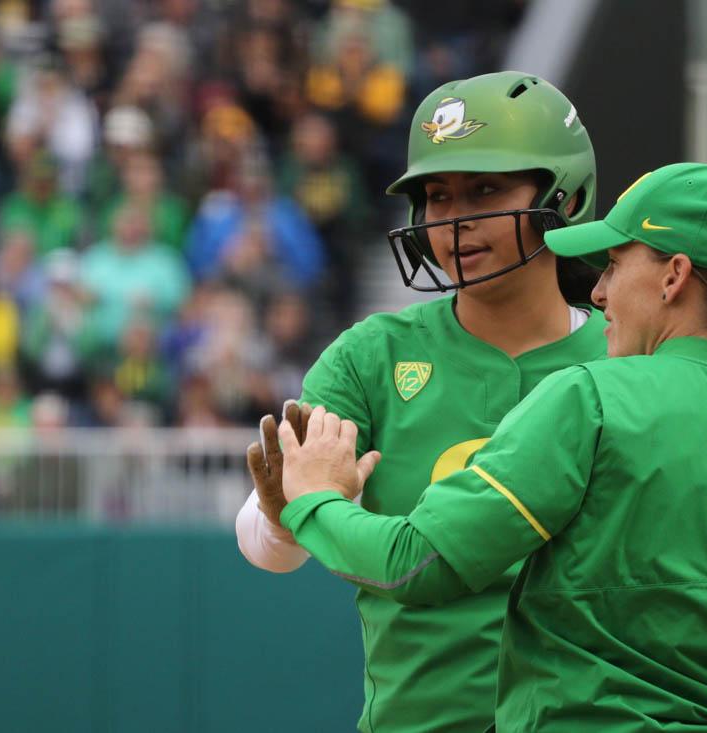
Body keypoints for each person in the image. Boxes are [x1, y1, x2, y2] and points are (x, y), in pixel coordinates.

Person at [273, 163, 707, 732]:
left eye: (615, 265)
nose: (598, 293)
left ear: (674, 276)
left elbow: (419, 563)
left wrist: (313, 500)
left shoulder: (591, 399)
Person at [235, 71, 602, 732]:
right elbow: (266, 545)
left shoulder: (630, 353)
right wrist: (284, 515)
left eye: (485, 189)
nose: (454, 220)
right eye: (436, 195)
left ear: (563, 194)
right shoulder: (369, 355)